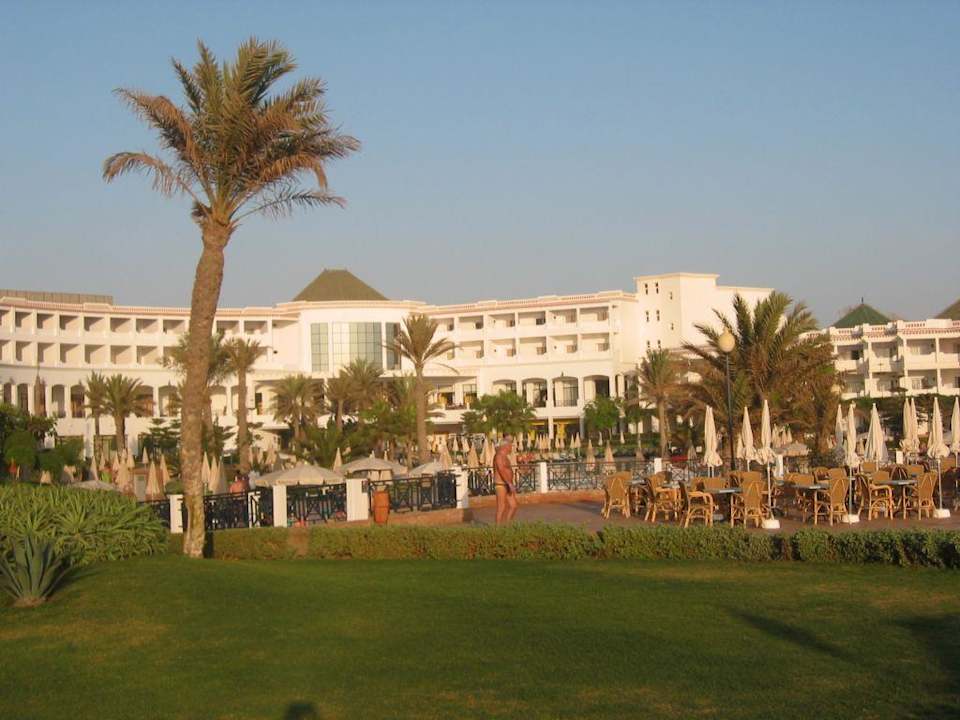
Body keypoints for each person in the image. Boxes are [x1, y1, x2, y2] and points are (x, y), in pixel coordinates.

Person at [493, 435, 518, 524]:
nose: (511, 448)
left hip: (507, 484)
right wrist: (509, 483)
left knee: (513, 505)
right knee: (501, 507)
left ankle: (507, 525)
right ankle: (498, 529)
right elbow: (501, 469)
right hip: (501, 484)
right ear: (505, 446)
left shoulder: (505, 456)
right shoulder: (499, 456)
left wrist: (510, 483)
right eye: (510, 446)